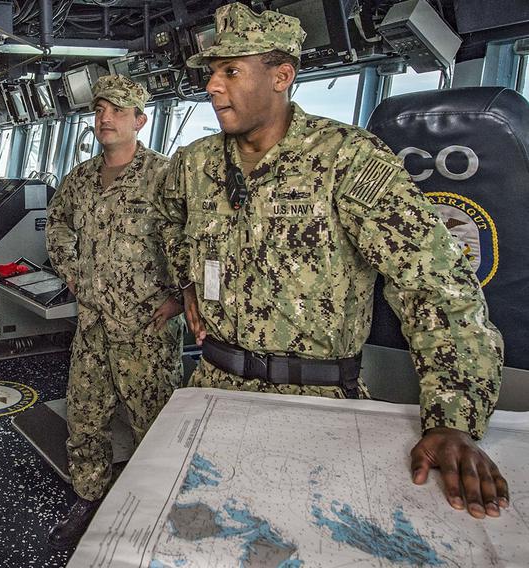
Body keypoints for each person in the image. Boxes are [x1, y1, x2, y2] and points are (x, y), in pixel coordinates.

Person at [159, 3, 507, 521]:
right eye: (210, 72)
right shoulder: (195, 164)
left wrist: (452, 419)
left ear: (282, 76)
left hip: (319, 403)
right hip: (213, 390)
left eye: (230, 71)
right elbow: (169, 220)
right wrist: (188, 281)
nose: (212, 86)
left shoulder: (348, 160)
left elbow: (437, 286)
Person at [45, 75, 184, 549]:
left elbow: (193, 240)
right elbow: (58, 225)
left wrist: (182, 297)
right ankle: (88, 498)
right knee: (85, 418)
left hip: (147, 327)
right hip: (92, 324)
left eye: (118, 111)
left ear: (140, 120)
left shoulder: (165, 176)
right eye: (100, 109)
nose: (105, 118)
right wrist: (72, 271)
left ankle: (154, 506)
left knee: (154, 422)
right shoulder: (80, 177)